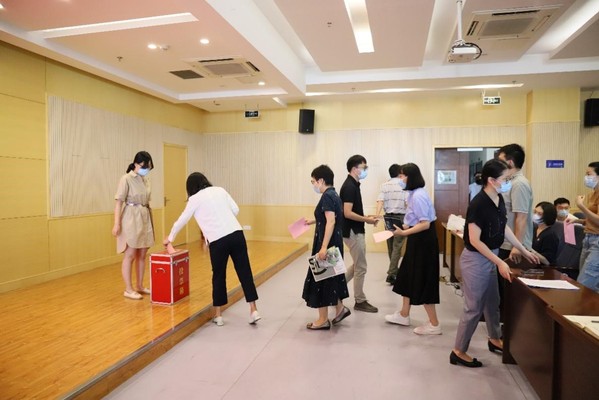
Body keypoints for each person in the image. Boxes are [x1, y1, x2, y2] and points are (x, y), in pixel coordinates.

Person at [451, 159, 539, 368]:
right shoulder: (479, 204)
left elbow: (504, 227)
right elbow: (475, 240)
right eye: (505, 179)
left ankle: (494, 338)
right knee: (473, 308)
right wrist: (500, 262)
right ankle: (458, 351)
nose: (508, 182)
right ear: (491, 180)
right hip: (476, 260)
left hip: (492, 256)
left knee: (493, 302)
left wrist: (523, 249)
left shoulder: (498, 198)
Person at [163, 172, 260, 325]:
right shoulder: (220, 190)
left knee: (219, 276)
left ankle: (218, 315)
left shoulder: (194, 199)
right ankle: (253, 310)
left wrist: (170, 238)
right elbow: (235, 209)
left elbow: (182, 219)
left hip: (218, 239)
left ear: (190, 188)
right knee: (245, 272)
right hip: (236, 234)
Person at [385, 163, 441, 335]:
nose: (400, 179)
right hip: (417, 239)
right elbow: (414, 218)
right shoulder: (412, 194)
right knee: (406, 275)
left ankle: (434, 324)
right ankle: (404, 314)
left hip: (424, 242)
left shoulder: (418, 196)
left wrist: (404, 232)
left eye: (402, 176)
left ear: (411, 177)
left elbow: (425, 224)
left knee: (423, 279)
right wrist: (405, 226)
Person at [302, 165, 351, 330]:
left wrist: (323, 247)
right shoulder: (334, 194)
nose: (313, 185)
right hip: (333, 242)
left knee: (321, 279)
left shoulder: (327, 196)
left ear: (321, 180)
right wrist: (312, 221)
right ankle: (340, 309)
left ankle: (323, 319)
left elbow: (331, 221)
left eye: (313, 181)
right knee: (331, 278)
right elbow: (328, 217)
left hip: (327, 243)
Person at [112, 151, 155, 300]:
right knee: (130, 254)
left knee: (142, 254)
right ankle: (128, 289)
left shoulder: (146, 180)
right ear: (136, 164)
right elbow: (118, 203)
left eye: (148, 167)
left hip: (144, 216)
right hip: (131, 217)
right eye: (143, 166)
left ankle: (140, 286)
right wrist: (116, 224)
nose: (146, 169)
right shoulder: (126, 179)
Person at [340, 155, 379, 313]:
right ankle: (360, 300)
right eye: (364, 167)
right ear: (355, 169)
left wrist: (365, 217)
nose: (366, 170)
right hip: (353, 232)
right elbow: (347, 213)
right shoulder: (349, 187)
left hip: (354, 230)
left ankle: (336, 290)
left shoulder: (354, 185)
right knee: (361, 267)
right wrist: (367, 220)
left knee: (357, 265)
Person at [496, 144, 533, 263]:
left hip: (512, 245)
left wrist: (517, 247)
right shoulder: (508, 181)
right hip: (505, 241)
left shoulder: (519, 184)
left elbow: (521, 218)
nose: (498, 164)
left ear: (510, 162)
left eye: (501, 160)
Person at [375, 163, 408, 285]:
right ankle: (392, 273)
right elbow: (407, 203)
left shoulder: (384, 185)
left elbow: (380, 201)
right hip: (400, 217)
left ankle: (393, 271)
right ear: (400, 173)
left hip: (388, 218)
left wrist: (377, 215)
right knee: (397, 246)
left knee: (390, 245)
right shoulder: (403, 185)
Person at [576, 162, 599, 292]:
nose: (586, 177)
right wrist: (579, 221)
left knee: (585, 283)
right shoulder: (592, 194)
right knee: (586, 282)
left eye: (589, 174)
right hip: (588, 238)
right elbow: (592, 218)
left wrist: (581, 207)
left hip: (597, 241)